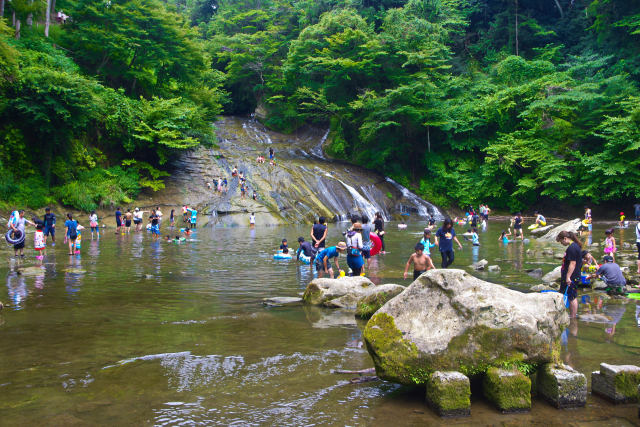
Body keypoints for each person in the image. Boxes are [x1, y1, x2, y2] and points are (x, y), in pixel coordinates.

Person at [556, 231, 583, 318]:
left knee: (572, 296)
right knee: (568, 294)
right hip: (572, 276)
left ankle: (573, 316)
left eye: (561, 241)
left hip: (572, 277)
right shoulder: (574, 246)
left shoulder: (572, 248)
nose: (561, 243)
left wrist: (568, 277)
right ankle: (571, 315)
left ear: (565, 239)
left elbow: (573, 263)